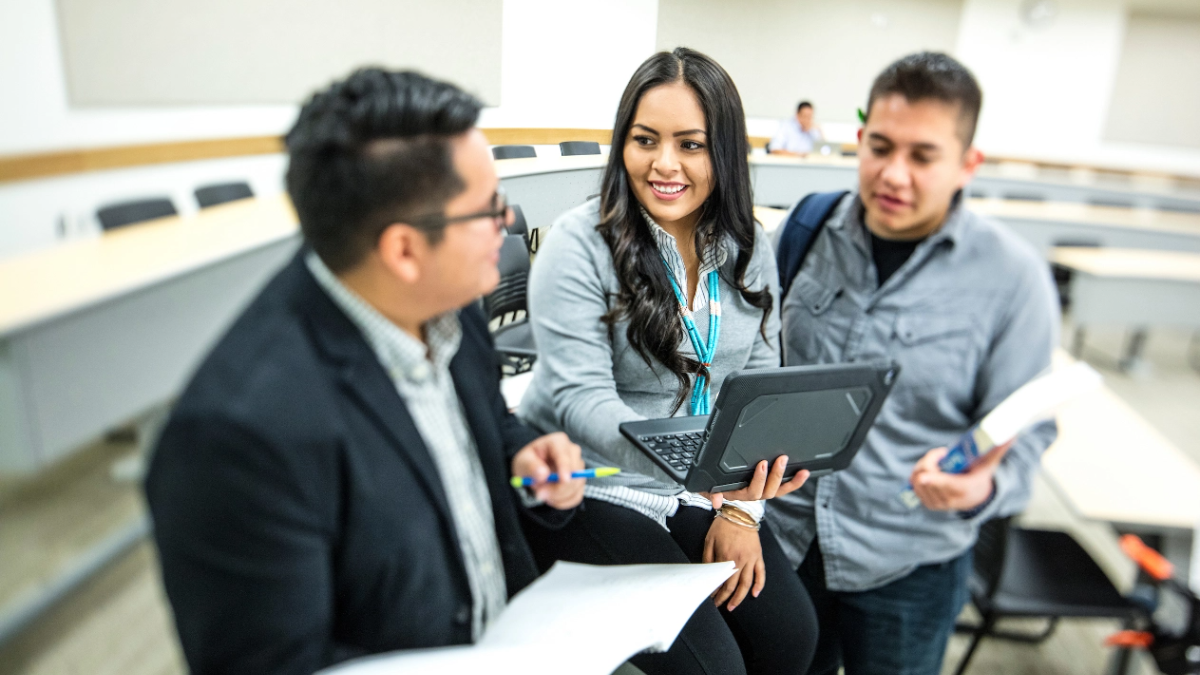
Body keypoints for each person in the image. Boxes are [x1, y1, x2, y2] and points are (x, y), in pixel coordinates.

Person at [144, 68, 585, 675]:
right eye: (488, 209)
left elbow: (488, 427)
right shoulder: (238, 435)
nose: (507, 221)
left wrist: (523, 459)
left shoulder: (447, 301)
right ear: (403, 250)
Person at [517, 47, 818, 675]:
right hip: (593, 484)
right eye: (645, 140)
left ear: (723, 153)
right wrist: (698, 463)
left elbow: (759, 380)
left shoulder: (747, 244)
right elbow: (579, 401)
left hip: (700, 487)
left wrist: (741, 508)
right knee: (713, 669)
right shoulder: (580, 244)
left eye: (691, 145)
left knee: (790, 637)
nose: (664, 164)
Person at [768, 52, 1060, 675]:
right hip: (784, 543)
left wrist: (982, 488)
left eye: (923, 156)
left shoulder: (1012, 279)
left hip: (906, 562)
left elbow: (1029, 427)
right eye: (879, 147)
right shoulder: (805, 229)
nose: (893, 174)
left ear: (967, 165)